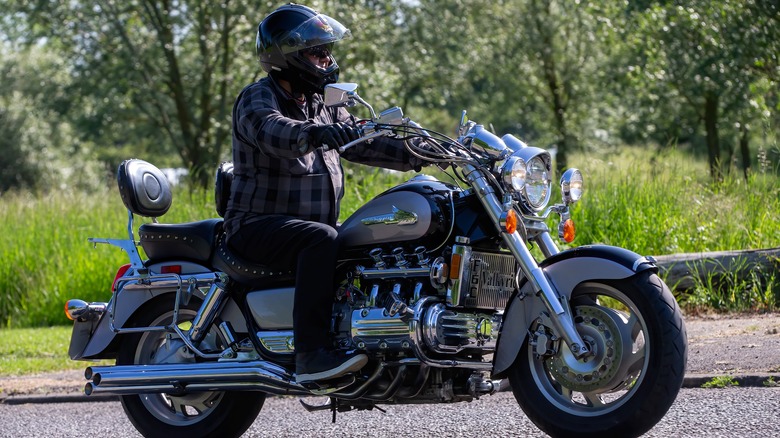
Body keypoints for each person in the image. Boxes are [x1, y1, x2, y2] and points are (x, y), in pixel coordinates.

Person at [224, 3, 427, 383]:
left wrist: (420, 153)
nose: (327, 60)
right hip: (255, 225)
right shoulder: (257, 97)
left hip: (306, 226)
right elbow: (271, 130)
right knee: (322, 238)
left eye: (327, 51)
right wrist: (312, 134)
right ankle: (311, 355)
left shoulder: (323, 104)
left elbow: (364, 140)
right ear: (289, 57)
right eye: (318, 53)